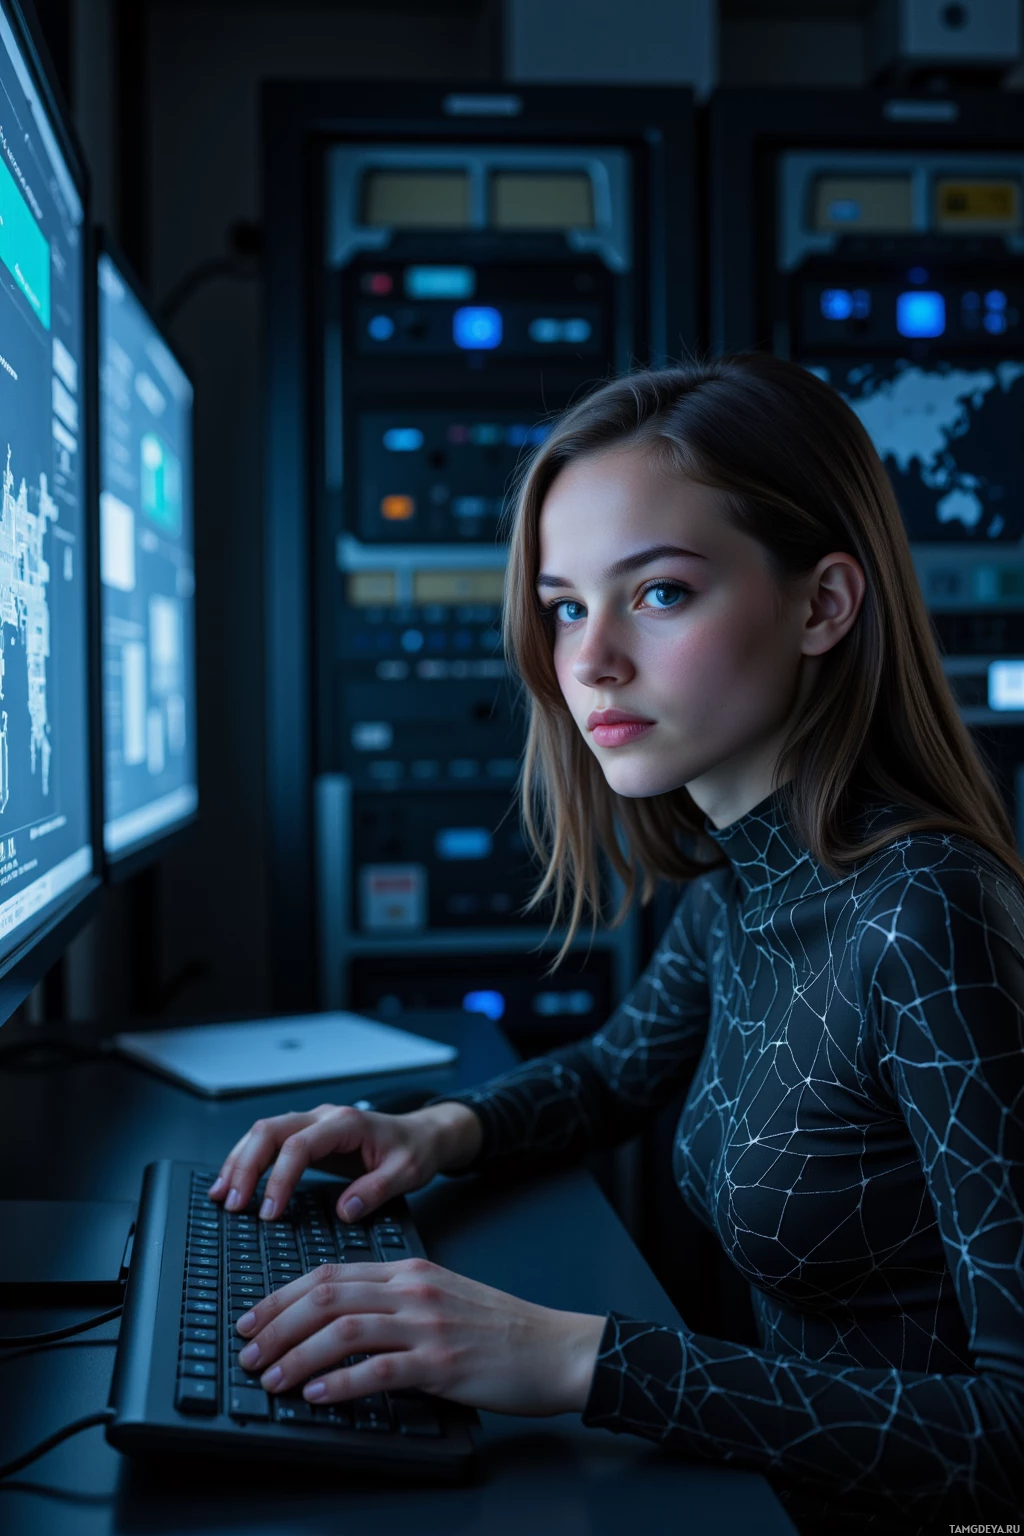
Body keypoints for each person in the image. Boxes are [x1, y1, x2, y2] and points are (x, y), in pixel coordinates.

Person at [209, 355, 1024, 1533]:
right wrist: (432, 1130)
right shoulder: (748, 872)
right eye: (563, 606)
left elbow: (1007, 1439)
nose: (585, 662)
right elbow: (615, 1073)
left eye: (659, 593)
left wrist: (572, 1360)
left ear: (822, 605)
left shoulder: (922, 912)